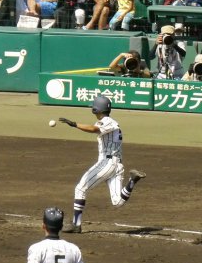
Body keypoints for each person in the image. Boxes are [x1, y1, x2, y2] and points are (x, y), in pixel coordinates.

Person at [58, 95, 146, 233]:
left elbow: (94, 129)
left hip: (108, 163)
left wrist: (75, 124)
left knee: (80, 188)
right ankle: (132, 180)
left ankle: (76, 224)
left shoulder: (108, 121)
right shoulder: (109, 122)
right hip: (116, 165)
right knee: (117, 202)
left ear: (97, 109)